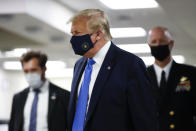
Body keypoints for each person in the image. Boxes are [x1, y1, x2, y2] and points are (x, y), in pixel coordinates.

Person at [67, 9, 158, 131]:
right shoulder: (79, 65)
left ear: (98, 34)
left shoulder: (130, 65)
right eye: (72, 34)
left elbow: (145, 120)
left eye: (77, 33)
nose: (73, 39)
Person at [147, 26, 196, 131]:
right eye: (154, 41)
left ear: (171, 44)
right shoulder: (141, 76)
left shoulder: (190, 73)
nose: (158, 45)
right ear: (149, 45)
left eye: (162, 41)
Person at [9, 51, 70, 131]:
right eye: (26, 71)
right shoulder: (18, 98)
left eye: (33, 70)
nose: (29, 75)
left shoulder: (63, 96)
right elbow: (12, 126)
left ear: (44, 69)